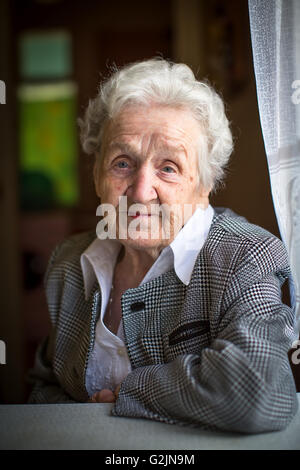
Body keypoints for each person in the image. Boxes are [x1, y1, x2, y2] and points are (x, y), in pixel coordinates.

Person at [28, 58, 298, 433]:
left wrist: (126, 393)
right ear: (96, 174)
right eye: (122, 163)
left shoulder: (244, 255)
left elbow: (259, 392)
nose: (140, 191)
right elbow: (44, 387)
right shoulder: (71, 262)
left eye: (168, 167)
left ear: (204, 184)